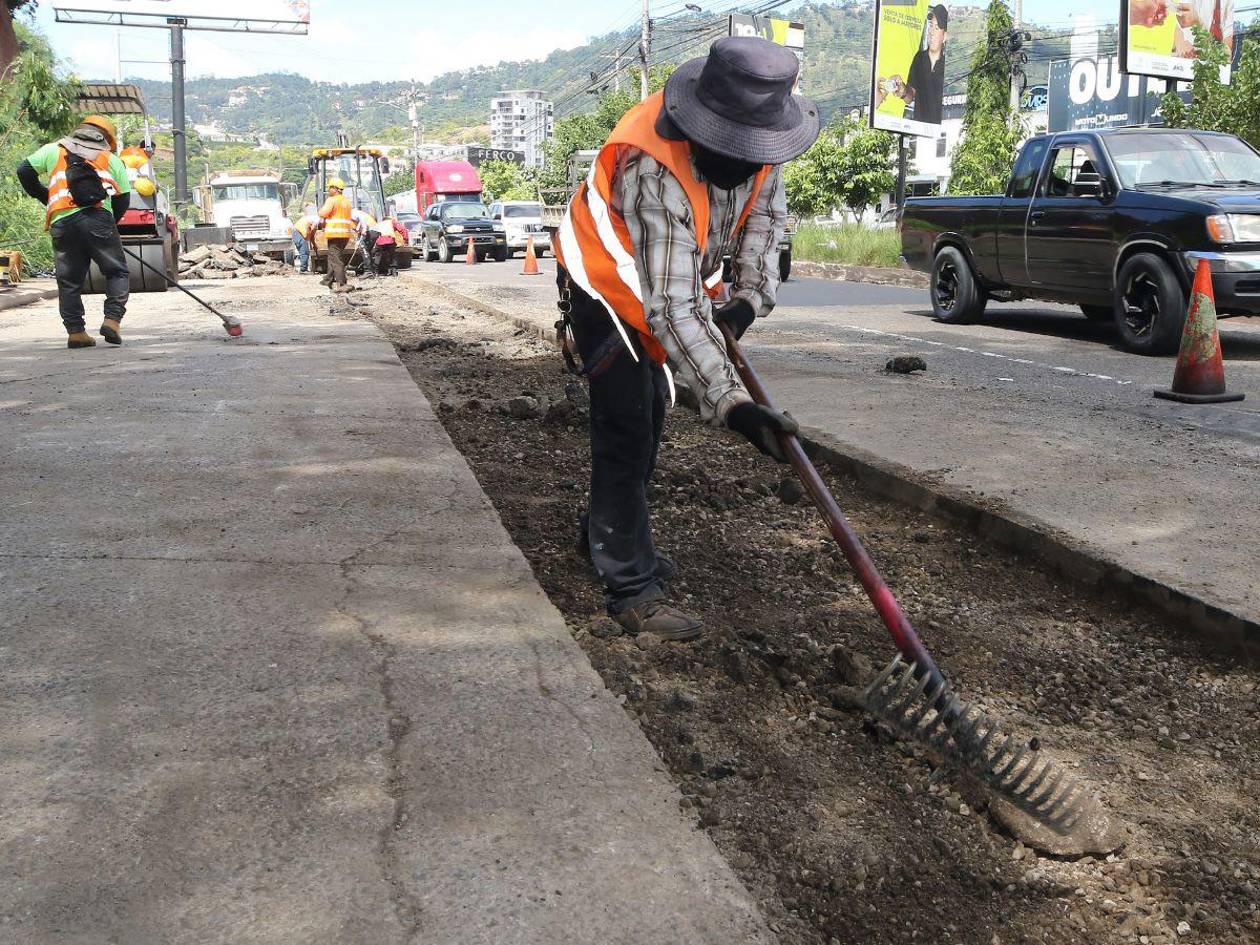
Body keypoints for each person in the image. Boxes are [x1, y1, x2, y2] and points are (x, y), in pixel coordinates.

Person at [553, 36, 817, 641]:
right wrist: (735, 405)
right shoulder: (654, 166)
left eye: (754, 155)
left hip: (667, 280)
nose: (744, 165)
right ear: (700, 130)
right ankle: (630, 587)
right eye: (730, 152)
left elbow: (765, 226)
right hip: (606, 277)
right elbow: (668, 306)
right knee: (628, 420)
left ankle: (607, 533)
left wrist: (746, 303)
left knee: (650, 412)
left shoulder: (765, 141)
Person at [14, 114, 133, 348]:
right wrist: (110, 224)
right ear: (107, 139)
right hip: (98, 218)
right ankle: (112, 320)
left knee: (69, 281)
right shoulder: (110, 158)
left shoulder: (53, 150)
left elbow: (23, 171)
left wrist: (45, 195)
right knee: (117, 271)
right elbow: (123, 198)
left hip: (62, 221)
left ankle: (76, 333)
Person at [900, 5, 948, 125]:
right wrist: (903, 91)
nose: (931, 32)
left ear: (944, 36)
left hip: (939, 129)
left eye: (936, 28)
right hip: (919, 129)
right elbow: (909, 97)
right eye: (931, 26)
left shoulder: (947, 63)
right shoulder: (919, 58)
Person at [317, 178, 354, 291]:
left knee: (336, 259)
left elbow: (323, 213)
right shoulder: (346, 201)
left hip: (334, 234)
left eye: (330, 187)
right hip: (345, 235)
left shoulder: (332, 200)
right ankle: (327, 279)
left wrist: (320, 212)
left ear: (335, 189)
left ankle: (341, 284)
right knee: (333, 257)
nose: (329, 190)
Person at [293, 203, 318, 273]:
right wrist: (308, 236)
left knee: (304, 250)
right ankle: (303, 270)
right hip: (298, 232)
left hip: (298, 232)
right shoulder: (315, 221)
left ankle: (304, 268)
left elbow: (312, 237)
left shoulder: (313, 221)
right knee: (304, 251)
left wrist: (315, 246)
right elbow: (310, 231)